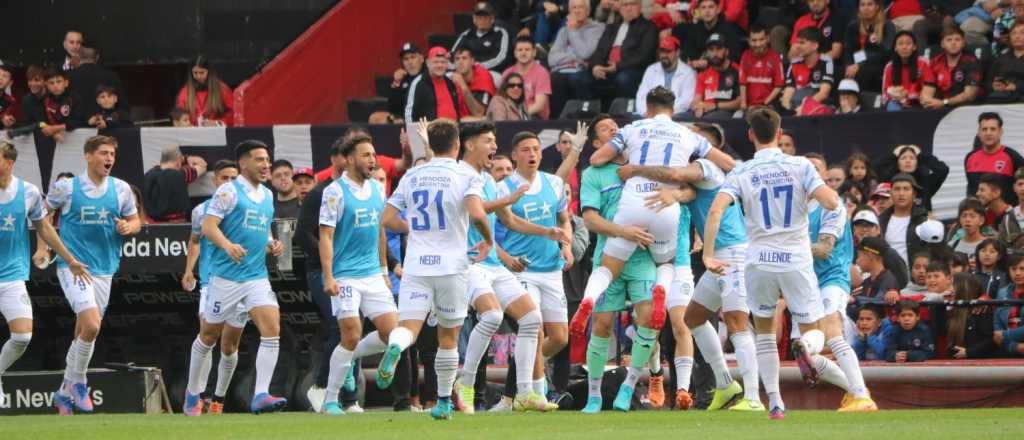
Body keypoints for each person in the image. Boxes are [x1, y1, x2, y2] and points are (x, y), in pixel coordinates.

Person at [702, 107, 860, 418]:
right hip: (795, 259)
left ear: (750, 135)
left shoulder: (742, 171)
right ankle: (807, 349)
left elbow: (716, 211)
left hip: (758, 260)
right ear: (780, 132)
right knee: (814, 329)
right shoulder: (800, 166)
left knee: (764, 333)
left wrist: (708, 254)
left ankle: (775, 402)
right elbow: (831, 202)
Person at [615, 125, 761, 412]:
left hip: (731, 254)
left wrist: (635, 169)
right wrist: (676, 196)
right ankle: (725, 384)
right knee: (693, 318)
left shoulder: (706, 166)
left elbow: (676, 176)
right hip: (721, 256)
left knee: (736, 323)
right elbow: (688, 192)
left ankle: (753, 397)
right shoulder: (706, 175)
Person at [577, 87, 735, 349]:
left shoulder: (632, 129)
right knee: (666, 263)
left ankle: (589, 299)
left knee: (607, 268)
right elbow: (728, 163)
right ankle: (661, 289)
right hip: (665, 203)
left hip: (633, 203)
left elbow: (596, 158)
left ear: (647, 109)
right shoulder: (688, 134)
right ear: (673, 109)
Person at [376, 119, 494, 420]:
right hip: (451, 266)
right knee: (448, 338)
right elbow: (476, 212)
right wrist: (488, 239)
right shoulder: (466, 174)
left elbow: (386, 219)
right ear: (457, 145)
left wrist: (412, 228)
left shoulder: (412, 175)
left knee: (408, 329)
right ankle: (442, 402)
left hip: (416, 265)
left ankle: (395, 346)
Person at [454, 121, 569, 413]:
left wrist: (547, 232)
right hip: (468, 261)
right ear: (469, 145)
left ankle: (525, 393)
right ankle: (465, 383)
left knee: (531, 318)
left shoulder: (488, 180)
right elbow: (475, 210)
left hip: (493, 263)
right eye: (488, 141)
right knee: (492, 316)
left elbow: (509, 220)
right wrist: (508, 199)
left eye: (495, 141)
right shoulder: (459, 176)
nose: (494, 146)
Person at [183, 140, 287, 415]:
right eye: (259, 160)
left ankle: (261, 394)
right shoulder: (229, 191)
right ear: (243, 163)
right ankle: (192, 392)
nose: (266, 165)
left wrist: (272, 243)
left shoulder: (268, 196)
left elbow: (262, 229)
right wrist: (227, 246)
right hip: (225, 278)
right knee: (209, 335)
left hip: (256, 276)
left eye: (267, 160)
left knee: (272, 329)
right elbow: (208, 226)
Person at [46, 135, 142, 415]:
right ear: (88, 156)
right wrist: (43, 248)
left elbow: (135, 220)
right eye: (103, 153)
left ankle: (63, 393)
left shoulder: (121, 189)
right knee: (91, 326)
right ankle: (79, 381)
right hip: (74, 266)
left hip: (105, 268)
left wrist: (129, 227)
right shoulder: (67, 188)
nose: (109, 158)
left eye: (112, 153)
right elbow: (42, 217)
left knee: (84, 331)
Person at [316, 134, 404, 416]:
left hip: (373, 274)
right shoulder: (335, 192)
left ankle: (351, 357)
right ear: (350, 159)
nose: (372, 160)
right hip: (345, 276)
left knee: (393, 334)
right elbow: (326, 236)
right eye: (366, 155)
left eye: (374, 155)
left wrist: (384, 270)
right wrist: (328, 276)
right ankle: (331, 399)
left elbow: (380, 232)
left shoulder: (377, 189)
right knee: (351, 333)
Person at [0, 141, 89, 408]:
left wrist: (68, 259)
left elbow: (45, 228)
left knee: (22, 336)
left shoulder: (28, 192)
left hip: (12, 275)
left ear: (8, 163)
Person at [494, 131, 576, 407]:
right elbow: (489, 231)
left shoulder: (554, 183)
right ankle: (537, 395)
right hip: (523, 270)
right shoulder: (503, 189)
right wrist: (506, 258)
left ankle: (514, 389)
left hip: (552, 269)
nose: (532, 154)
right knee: (534, 329)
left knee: (560, 338)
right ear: (514, 155)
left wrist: (566, 246)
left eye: (536, 149)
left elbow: (564, 220)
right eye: (526, 149)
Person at [801, 153, 874, 409]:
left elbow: (824, 250)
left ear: (823, 175)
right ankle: (855, 391)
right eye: (805, 167)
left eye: (816, 168)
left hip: (833, 277)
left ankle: (861, 395)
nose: (809, 171)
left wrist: (787, 249)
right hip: (805, 283)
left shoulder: (832, 205)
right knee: (807, 349)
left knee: (832, 331)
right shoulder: (794, 209)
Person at [297, 139, 362, 413]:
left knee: (354, 327)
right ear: (337, 159)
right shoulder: (320, 193)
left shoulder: (362, 191)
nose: (352, 161)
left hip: (354, 272)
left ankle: (350, 399)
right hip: (320, 271)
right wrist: (330, 260)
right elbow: (302, 234)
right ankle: (321, 386)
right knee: (340, 326)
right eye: (348, 155)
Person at [180, 159, 243, 414]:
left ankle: (218, 399)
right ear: (215, 180)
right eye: (224, 178)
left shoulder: (247, 206)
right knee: (207, 336)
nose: (229, 182)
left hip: (242, 281)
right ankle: (195, 395)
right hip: (211, 281)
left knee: (230, 346)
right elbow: (195, 241)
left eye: (233, 178)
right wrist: (189, 269)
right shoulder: (201, 211)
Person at [586, 0, 659, 100]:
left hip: (632, 69)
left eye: (632, 4)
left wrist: (617, 66)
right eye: (625, 5)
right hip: (607, 67)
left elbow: (644, 56)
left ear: (640, 6)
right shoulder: (612, 27)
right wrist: (596, 66)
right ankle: (589, 110)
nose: (628, 8)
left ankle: (624, 110)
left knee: (623, 79)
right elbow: (599, 50)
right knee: (581, 78)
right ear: (620, 8)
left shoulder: (649, 27)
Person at [548, 0, 606, 115]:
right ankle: (558, 120)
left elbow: (585, 54)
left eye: (580, 7)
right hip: (563, 70)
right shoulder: (564, 30)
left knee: (576, 79)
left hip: (585, 70)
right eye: (573, 8)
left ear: (588, 11)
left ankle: (586, 116)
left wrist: (573, 31)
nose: (577, 11)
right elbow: (551, 59)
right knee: (554, 79)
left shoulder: (598, 28)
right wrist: (574, 57)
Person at [965, 112, 1024, 198]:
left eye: (993, 129)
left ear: (1000, 132)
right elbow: (971, 189)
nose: (988, 133)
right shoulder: (970, 158)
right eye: (984, 129)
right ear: (979, 132)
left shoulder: (1013, 157)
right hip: (978, 207)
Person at [842, 0, 897, 92]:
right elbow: (848, 51)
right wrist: (849, 66)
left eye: (870, 4)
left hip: (879, 65)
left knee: (863, 72)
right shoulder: (852, 26)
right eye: (862, 5)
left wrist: (859, 64)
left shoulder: (887, 25)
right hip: (855, 65)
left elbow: (886, 52)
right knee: (839, 72)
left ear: (877, 7)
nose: (866, 8)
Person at [920, 27, 981, 109]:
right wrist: (928, 101)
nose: (953, 43)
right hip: (938, 107)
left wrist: (944, 103)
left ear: (963, 43)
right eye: (949, 40)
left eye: (957, 40)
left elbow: (970, 95)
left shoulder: (972, 62)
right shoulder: (935, 62)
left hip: (964, 109)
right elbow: (928, 89)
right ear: (942, 44)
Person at [875, 144, 949, 211]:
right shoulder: (889, 180)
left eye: (912, 158)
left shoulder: (925, 182)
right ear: (897, 163)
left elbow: (943, 170)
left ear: (917, 162)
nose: (908, 161)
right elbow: (875, 168)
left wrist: (921, 155)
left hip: (921, 220)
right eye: (903, 158)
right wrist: (893, 156)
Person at [142, 145, 205, 223]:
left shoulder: (148, 175)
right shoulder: (181, 174)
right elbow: (202, 165)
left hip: (151, 225)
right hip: (176, 225)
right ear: (178, 163)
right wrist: (187, 158)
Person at [405, 47, 470, 122]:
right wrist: (409, 128)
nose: (440, 65)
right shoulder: (419, 83)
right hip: (429, 129)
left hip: (453, 128)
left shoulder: (450, 82)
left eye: (443, 62)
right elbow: (409, 113)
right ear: (428, 63)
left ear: (447, 64)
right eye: (435, 62)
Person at [635, 36, 696, 116]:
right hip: (650, 116)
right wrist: (645, 112)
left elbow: (686, 101)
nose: (664, 55)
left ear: (677, 52)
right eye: (662, 51)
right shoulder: (651, 70)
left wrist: (663, 113)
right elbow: (641, 97)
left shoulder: (688, 72)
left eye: (668, 51)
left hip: (676, 116)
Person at [879, 173, 929, 267]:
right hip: (888, 274)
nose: (901, 193)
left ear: (914, 194)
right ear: (891, 193)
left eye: (906, 189)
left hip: (915, 274)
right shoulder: (881, 221)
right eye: (897, 189)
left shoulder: (924, 222)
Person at [676, 0, 744, 69]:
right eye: (703, 7)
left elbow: (735, 56)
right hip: (699, 70)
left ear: (718, 10)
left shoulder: (729, 29)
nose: (707, 11)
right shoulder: (695, 29)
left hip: (723, 70)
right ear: (699, 11)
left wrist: (708, 63)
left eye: (711, 7)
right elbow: (688, 52)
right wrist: (694, 62)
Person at [781, 27, 836, 113]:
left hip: (817, 109)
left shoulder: (826, 62)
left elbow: (823, 93)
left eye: (802, 43)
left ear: (815, 46)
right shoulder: (794, 63)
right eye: (797, 42)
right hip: (796, 109)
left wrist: (803, 109)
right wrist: (789, 112)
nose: (797, 46)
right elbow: (787, 95)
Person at [947, 272, 999, 359]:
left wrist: (969, 352)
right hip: (954, 363)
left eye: (951, 285)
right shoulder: (951, 309)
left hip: (980, 363)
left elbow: (992, 340)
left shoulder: (982, 310)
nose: (949, 289)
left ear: (963, 288)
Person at [452, 2, 515, 72]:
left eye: (485, 17)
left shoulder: (500, 33)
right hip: (466, 71)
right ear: (474, 19)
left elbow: (502, 58)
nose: (482, 20)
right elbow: (452, 54)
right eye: (479, 17)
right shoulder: (466, 34)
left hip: (491, 71)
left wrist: (475, 67)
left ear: (492, 19)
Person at [692, 34, 742, 119]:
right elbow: (696, 100)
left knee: (708, 119)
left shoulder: (737, 71)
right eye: (711, 50)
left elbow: (740, 102)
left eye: (719, 49)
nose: (715, 53)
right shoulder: (703, 73)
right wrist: (697, 108)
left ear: (727, 51)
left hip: (727, 113)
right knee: (678, 118)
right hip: (706, 112)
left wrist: (715, 105)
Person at [175, 55, 234, 126]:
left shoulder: (223, 89)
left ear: (209, 72)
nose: (198, 76)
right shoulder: (185, 91)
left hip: (216, 131)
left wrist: (217, 123)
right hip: (192, 131)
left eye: (202, 72)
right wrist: (185, 123)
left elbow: (232, 113)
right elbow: (179, 114)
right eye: (195, 73)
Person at [881, 31, 933, 111]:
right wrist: (894, 96)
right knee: (892, 105)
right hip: (898, 104)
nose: (904, 47)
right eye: (900, 44)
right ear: (895, 48)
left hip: (919, 104)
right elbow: (885, 95)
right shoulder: (889, 67)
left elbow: (930, 89)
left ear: (914, 47)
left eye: (908, 44)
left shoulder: (923, 63)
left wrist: (908, 96)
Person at [502, 37, 552, 119]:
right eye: (520, 50)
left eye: (527, 50)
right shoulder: (507, 73)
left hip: (534, 117)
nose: (523, 53)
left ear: (534, 52)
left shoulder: (542, 73)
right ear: (515, 53)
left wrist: (517, 116)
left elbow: (539, 106)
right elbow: (501, 100)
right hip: (510, 117)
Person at [67, 47, 123, 118]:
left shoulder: (69, 76)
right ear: (97, 57)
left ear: (78, 57)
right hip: (104, 120)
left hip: (76, 120)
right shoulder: (111, 76)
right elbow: (121, 102)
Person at [740, 24, 786, 109]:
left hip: (769, 106)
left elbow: (779, 86)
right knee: (736, 116)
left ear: (767, 39)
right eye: (754, 40)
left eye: (761, 40)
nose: (758, 44)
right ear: (748, 41)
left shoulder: (775, 58)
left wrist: (763, 104)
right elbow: (742, 83)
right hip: (749, 107)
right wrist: (743, 105)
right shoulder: (745, 55)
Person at [41, 68, 85, 144]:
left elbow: (78, 121)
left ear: (66, 83)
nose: (55, 85)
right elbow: (41, 122)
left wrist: (55, 129)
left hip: (76, 140)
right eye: (51, 83)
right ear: (46, 85)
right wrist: (53, 133)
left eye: (58, 81)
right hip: (53, 140)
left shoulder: (74, 98)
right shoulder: (45, 100)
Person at [451, 46, 496, 119]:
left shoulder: (483, 77)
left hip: (482, 122)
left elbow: (479, 113)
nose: (460, 62)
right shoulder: (450, 78)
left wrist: (463, 86)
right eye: (457, 59)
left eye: (464, 58)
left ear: (472, 61)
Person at [994, 253, 1024, 356]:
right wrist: (1014, 346)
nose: (1018, 273)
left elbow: (1000, 335)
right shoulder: (1002, 293)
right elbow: (997, 324)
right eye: (1013, 269)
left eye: (1022, 269)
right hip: (1007, 351)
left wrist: (1006, 334)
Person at [986, 21, 1024, 102]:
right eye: (1013, 33)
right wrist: (993, 85)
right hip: (1002, 98)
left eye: (1022, 33)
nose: (1017, 36)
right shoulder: (1001, 59)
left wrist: (1016, 86)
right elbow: (987, 82)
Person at [856, 237, 902, 303]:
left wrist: (855, 300)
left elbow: (880, 301)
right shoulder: (866, 282)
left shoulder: (888, 279)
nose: (857, 261)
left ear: (870, 256)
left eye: (859, 256)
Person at [388, 43, 424, 122]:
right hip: (403, 118)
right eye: (406, 59)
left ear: (421, 59)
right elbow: (393, 109)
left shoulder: (427, 77)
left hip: (423, 119)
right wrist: (396, 84)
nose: (410, 62)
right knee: (376, 117)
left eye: (413, 57)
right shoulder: (402, 78)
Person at [999, 168, 1024, 243]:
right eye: (1020, 184)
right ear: (1014, 187)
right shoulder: (1008, 217)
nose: (1023, 188)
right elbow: (1003, 245)